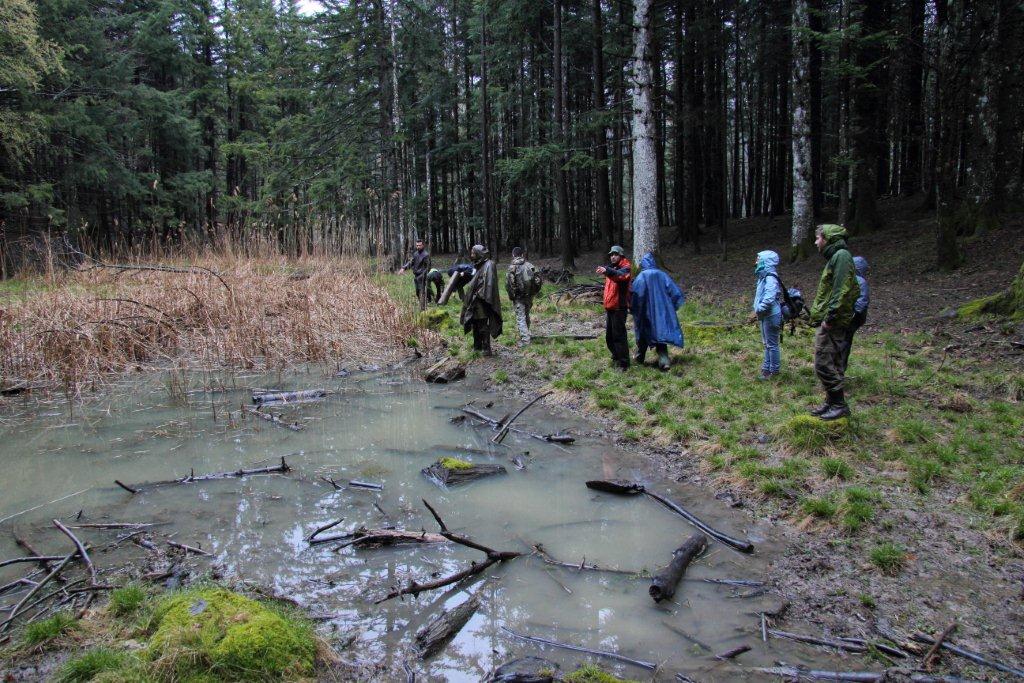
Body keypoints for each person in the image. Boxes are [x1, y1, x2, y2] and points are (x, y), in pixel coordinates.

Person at [808, 224, 860, 421]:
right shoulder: (837, 257)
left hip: (834, 321)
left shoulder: (841, 257)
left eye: (818, 238)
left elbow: (841, 289)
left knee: (823, 361)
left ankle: (839, 404)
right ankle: (831, 402)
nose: (815, 242)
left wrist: (830, 317)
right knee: (832, 360)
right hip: (834, 319)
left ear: (827, 238)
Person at [631, 253, 684, 371]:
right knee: (660, 337)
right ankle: (664, 361)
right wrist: (671, 308)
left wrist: (634, 310)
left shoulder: (641, 277)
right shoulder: (662, 275)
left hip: (645, 314)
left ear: (643, 263)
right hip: (662, 314)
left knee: (643, 334)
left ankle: (640, 358)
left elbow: (636, 295)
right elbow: (675, 292)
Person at [459, 245, 502, 356]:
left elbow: (488, 284)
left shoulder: (489, 265)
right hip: (474, 301)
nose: (471, 255)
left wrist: (478, 295)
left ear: (479, 254)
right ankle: (477, 347)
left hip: (481, 301)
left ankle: (486, 348)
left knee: (482, 324)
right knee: (475, 324)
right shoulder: (478, 265)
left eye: (473, 253)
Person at [596, 245, 632, 370]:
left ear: (621, 255)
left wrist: (607, 271)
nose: (612, 257)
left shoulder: (625, 268)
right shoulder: (612, 268)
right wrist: (607, 270)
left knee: (619, 336)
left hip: (619, 308)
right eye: (611, 255)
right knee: (609, 336)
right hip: (610, 308)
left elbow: (619, 276)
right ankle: (616, 356)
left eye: (615, 254)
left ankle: (624, 363)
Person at [752, 250, 783, 379]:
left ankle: (773, 372)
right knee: (767, 344)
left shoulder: (770, 277)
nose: (756, 262)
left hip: (771, 315)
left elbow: (769, 298)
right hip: (765, 315)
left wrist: (759, 309)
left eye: (758, 259)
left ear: (766, 262)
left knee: (771, 344)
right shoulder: (764, 276)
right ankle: (766, 369)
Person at [505, 246, 542, 345]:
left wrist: (512, 296)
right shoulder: (530, 265)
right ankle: (527, 334)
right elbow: (538, 280)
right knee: (526, 315)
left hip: (518, 297)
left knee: (520, 317)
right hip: (529, 296)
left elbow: (508, 284)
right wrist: (534, 292)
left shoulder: (512, 268)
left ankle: (525, 340)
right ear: (522, 254)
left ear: (513, 255)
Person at [842, 256, 870, 372]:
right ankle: (839, 370)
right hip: (852, 318)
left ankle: (837, 371)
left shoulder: (849, 279)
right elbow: (862, 301)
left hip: (848, 318)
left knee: (843, 343)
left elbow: (861, 301)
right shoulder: (860, 281)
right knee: (845, 343)